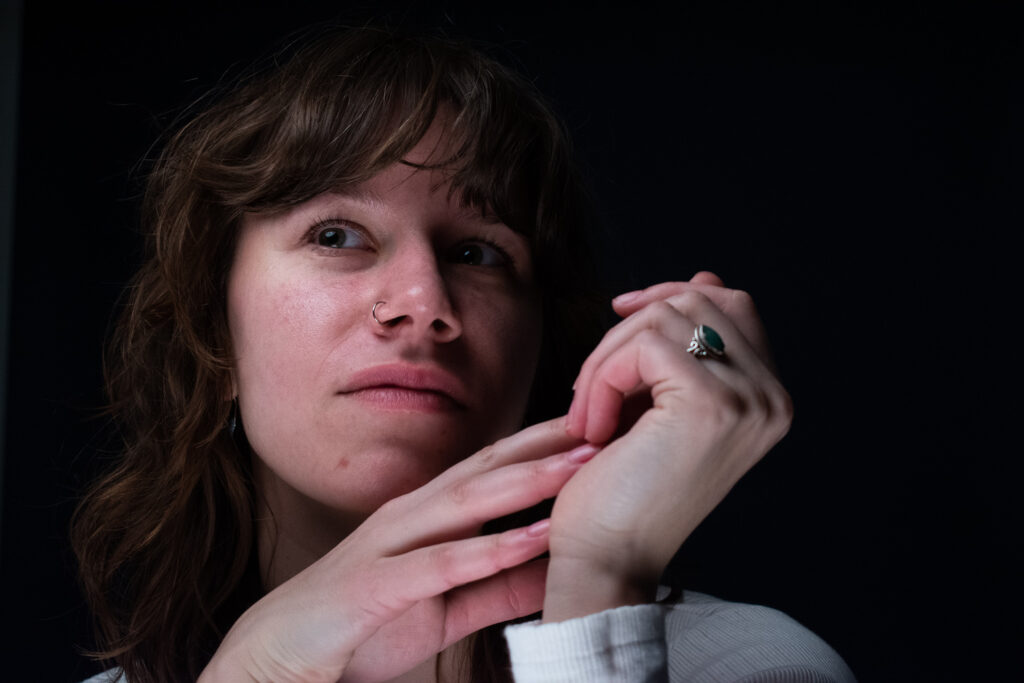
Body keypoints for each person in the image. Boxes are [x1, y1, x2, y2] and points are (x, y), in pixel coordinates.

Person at [73, 25, 855, 683]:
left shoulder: (752, 666)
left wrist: (602, 582)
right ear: (215, 331)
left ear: (540, 344)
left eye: (480, 252)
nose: (424, 300)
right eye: (336, 235)